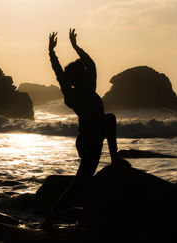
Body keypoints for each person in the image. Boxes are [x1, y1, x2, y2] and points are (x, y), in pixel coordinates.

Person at [43, 29, 129, 229]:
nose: (87, 70)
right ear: (81, 76)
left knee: (110, 119)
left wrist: (55, 51)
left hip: (90, 138)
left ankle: (114, 158)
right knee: (79, 186)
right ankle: (50, 217)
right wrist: (72, 47)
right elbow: (86, 64)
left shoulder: (72, 93)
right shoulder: (85, 90)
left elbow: (64, 72)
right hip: (90, 142)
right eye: (83, 70)